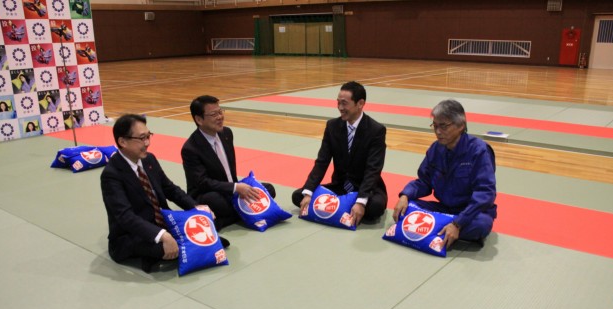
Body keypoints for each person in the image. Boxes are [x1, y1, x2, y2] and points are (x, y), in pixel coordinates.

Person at [101, 114, 228, 273]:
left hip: (164, 221)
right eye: (141, 138)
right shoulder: (111, 174)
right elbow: (125, 217)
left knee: (213, 233)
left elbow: (170, 189)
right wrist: (162, 235)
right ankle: (154, 251)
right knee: (169, 248)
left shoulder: (149, 160)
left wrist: (196, 207)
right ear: (122, 141)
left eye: (148, 136)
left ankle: (164, 247)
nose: (147, 143)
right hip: (130, 235)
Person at [392, 99, 497, 249]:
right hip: (444, 209)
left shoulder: (479, 150)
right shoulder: (436, 148)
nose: (438, 132)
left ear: (461, 125)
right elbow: (424, 181)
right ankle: (442, 229)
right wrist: (405, 195)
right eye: (435, 126)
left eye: (443, 126)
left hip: (471, 212)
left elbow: (485, 193)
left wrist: (458, 223)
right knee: (405, 208)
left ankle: (442, 227)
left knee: (481, 225)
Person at [291, 81, 387, 226]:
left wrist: (361, 201)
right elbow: (322, 162)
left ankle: (348, 205)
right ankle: (344, 206)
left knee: (375, 208)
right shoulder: (332, 126)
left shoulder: (376, 130)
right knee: (299, 195)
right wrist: (309, 192)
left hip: (366, 188)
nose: (340, 108)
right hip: (340, 187)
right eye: (338, 103)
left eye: (344, 103)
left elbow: (373, 170)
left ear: (360, 103)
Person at [181, 95, 276, 230]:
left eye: (220, 112)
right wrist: (235, 188)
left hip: (231, 189)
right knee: (217, 202)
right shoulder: (191, 148)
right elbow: (202, 182)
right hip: (208, 193)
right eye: (213, 114)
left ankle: (227, 219)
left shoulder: (226, 133)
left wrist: (238, 187)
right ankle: (244, 212)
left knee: (268, 189)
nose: (220, 117)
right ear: (199, 119)